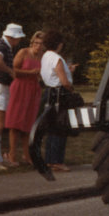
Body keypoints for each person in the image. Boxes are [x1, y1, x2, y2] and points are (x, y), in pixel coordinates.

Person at [0, 23, 25, 170]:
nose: (19, 41)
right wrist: (10, 71)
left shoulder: (5, 46)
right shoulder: (1, 45)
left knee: (0, 125)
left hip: (1, 87)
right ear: (13, 37)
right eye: (18, 38)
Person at [39, 30, 79, 172]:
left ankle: (50, 159)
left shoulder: (45, 56)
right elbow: (64, 81)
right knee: (60, 126)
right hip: (59, 94)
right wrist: (71, 88)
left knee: (51, 126)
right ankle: (57, 161)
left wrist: (69, 71)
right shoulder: (57, 58)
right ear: (59, 44)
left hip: (49, 92)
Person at [4, 31, 45, 166]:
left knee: (28, 124)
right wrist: (30, 72)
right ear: (32, 42)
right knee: (15, 122)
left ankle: (27, 156)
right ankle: (12, 155)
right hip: (20, 87)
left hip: (33, 90)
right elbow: (13, 70)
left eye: (41, 43)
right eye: (36, 43)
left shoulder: (42, 57)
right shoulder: (23, 52)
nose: (38, 46)